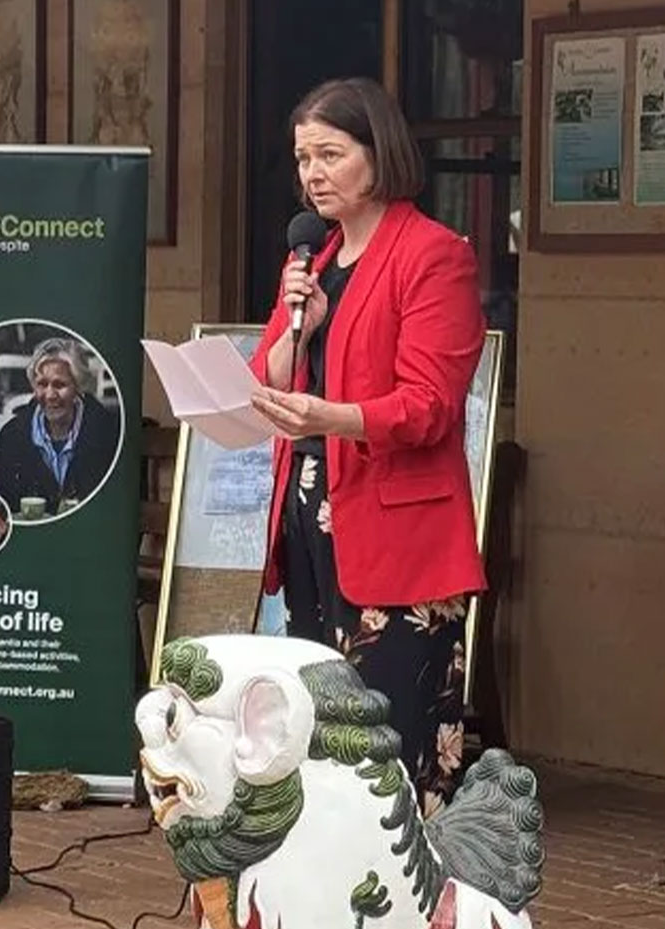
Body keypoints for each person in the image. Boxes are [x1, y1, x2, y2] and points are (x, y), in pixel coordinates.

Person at [247, 77, 486, 817]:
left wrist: (330, 416)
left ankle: (411, 909)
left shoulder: (432, 256)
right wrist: (304, 330)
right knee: (319, 732)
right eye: (302, 158)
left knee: (391, 743)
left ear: (378, 154)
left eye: (330, 154)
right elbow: (265, 379)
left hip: (397, 533)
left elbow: (429, 406)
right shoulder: (311, 262)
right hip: (311, 518)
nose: (313, 174)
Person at [0, 338, 117, 517]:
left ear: (78, 387)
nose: (50, 395)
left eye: (59, 385)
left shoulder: (107, 433)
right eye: (42, 384)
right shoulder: (12, 436)